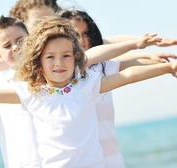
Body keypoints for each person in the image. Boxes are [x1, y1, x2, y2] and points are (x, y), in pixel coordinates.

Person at [0, 17, 177, 168]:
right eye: (51, 58)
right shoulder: (30, 91)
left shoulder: (87, 84)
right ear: (39, 62)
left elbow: (126, 75)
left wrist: (163, 68)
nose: (59, 63)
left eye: (66, 56)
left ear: (76, 58)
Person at [60, 9, 177, 167]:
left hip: (112, 159)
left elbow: (128, 68)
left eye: (87, 34)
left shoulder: (99, 68)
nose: (82, 40)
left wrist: (161, 63)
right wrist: (140, 45)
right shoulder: (61, 76)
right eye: (74, 35)